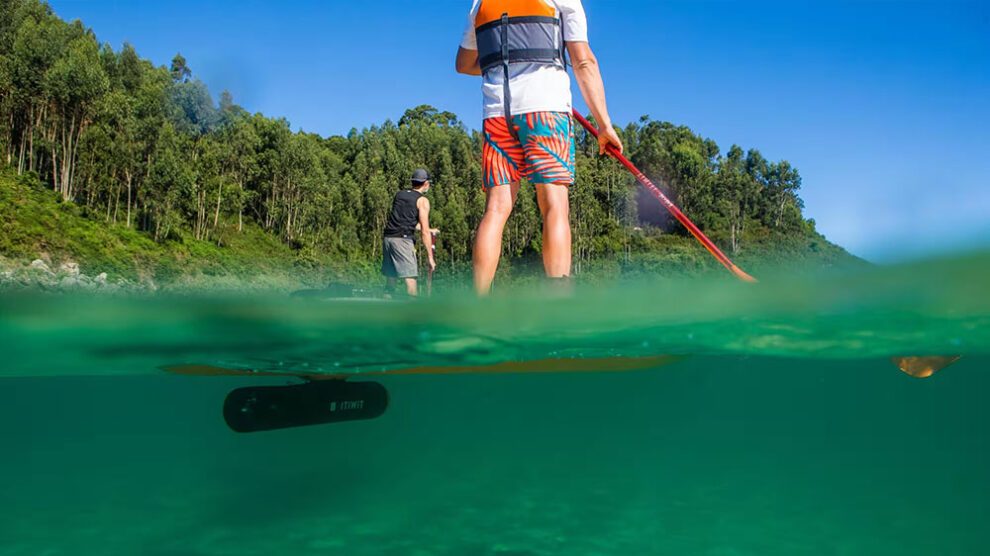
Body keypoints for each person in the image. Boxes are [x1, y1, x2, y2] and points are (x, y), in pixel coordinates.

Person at [455, 0, 623, 295]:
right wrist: (603, 125)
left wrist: (510, 61)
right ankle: (558, 301)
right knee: (554, 205)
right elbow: (583, 62)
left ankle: (478, 303)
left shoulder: (479, 3)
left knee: (495, 209)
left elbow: (464, 64)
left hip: (497, 113)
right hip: (546, 110)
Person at [382, 169, 436, 297]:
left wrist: (429, 229)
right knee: (410, 280)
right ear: (426, 183)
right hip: (403, 241)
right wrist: (430, 258)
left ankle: (384, 310)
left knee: (390, 282)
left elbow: (405, 221)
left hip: (388, 238)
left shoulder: (399, 194)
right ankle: (414, 314)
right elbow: (424, 231)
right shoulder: (422, 201)